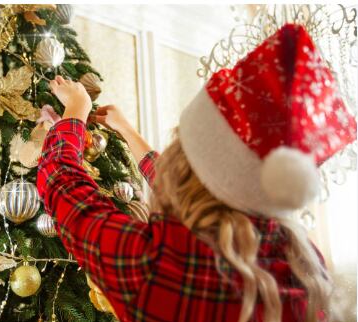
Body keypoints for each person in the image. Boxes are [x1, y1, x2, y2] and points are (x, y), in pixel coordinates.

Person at [37, 23, 356, 322]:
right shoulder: (304, 263)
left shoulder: (156, 268)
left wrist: (76, 111)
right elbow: (204, 183)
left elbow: (63, 183)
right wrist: (127, 131)